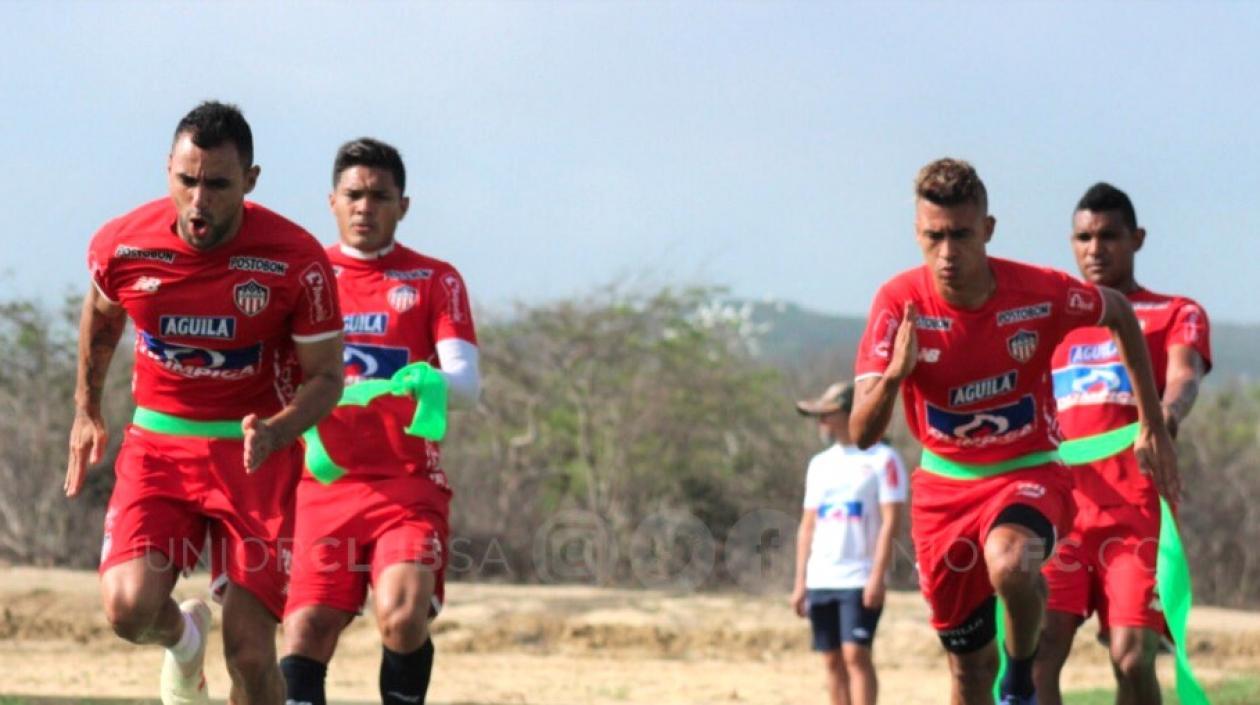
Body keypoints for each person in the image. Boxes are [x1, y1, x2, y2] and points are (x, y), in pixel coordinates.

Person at [848, 158, 1178, 705]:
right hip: (944, 492)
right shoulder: (897, 304)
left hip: (1028, 474)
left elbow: (1118, 310)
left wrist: (1152, 426)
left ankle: (1020, 675)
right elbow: (862, 433)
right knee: (966, 674)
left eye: (961, 235)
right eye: (934, 237)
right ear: (917, 233)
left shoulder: (1039, 292)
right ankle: (999, 672)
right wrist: (894, 377)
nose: (948, 253)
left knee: (1010, 562)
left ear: (988, 230)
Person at [64, 101, 345, 705]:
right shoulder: (123, 244)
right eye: (186, 180)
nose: (199, 200)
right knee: (127, 609)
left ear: (250, 180)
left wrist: (277, 430)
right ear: (168, 169)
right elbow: (102, 315)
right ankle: (185, 640)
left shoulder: (294, 260)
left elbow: (326, 378)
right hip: (159, 447)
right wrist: (87, 405)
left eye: (217, 184)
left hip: (253, 458)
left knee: (249, 653)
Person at [280, 138, 481, 705]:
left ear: (403, 205)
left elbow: (467, 387)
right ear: (332, 201)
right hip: (320, 487)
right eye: (354, 195)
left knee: (399, 616)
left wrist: (431, 381)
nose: (365, 207)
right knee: (306, 631)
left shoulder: (435, 280)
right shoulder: (304, 278)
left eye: (379, 196)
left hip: (405, 487)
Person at [1033, 183, 1212, 705]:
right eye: (1084, 237)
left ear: (1136, 239)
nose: (1095, 249)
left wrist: (1165, 417)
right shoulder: (1054, 324)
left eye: (1109, 236)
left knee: (1131, 657)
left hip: (1136, 512)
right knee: (1040, 650)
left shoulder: (1175, 311)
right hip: (1061, 513)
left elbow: (1186, 376)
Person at [791, 381, 907, 705]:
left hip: (859, 576)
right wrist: (801, 582)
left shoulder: (884, 459)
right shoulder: (820, 464)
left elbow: (891, 523)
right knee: (831, 659)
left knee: (856, 654)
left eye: (828, 415)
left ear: (850, 414)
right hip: (821, 577)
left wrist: (877, 576)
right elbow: (808, 526)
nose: (822, 423)